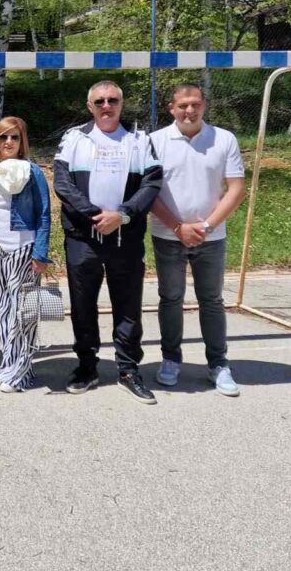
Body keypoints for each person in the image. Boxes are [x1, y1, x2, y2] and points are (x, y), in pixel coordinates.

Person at [53, 80, 163, 404]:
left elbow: (152, 183)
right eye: (99, 101)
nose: (106, 106)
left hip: (125, 238)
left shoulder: (139, 139)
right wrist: (94, 215)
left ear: (121, 104)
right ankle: (87, 367)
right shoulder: (74, 137)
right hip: (83, 237)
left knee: (128, 307)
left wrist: (122, 215)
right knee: (82, 306)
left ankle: (128, 371)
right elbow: (62, 183)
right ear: (90, 106)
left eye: (112, 100)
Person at [149, 84, 246, 396]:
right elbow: (148, 192)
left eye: (195, 104)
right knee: (170, 298)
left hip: (211, 237)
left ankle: (218, 364)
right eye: (183, 105)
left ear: (204, 105)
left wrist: (205, 226)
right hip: (167, 235)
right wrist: (178, 227)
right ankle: (170, 359)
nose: (189, 111)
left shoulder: (224, 139)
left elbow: (236, 189)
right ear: (171, 108)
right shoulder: (155, 141)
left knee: (212, 300)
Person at [0, 117, 53, 393]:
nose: (8, 142)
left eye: (14, 137)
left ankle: (21, 373)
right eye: (3, 137)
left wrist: (40, 253)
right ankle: (10, 363)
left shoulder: (32, 172)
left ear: (22, 141)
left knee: (24, 313)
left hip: (23, 249)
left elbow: (43, 214)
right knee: (3, 309)